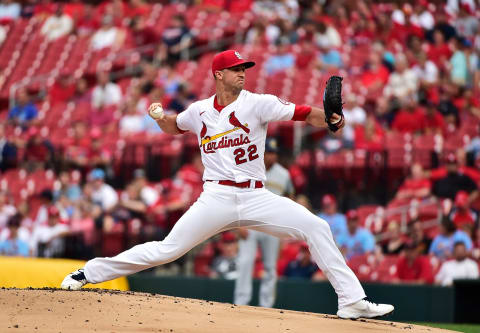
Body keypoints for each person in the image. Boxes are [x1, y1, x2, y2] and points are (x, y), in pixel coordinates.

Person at [62, 49, 393, 319]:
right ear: (218, 74)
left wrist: (332, 119)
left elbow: (307, 114)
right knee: (168, 250)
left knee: (317, 226)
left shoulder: (258, 102)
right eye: (235, 69)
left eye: (244, 68)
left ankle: (351, 300)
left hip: (256, 195)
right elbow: (175, 127)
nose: (242, 73)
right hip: (216, 196)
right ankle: (89, 273)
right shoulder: (199, 110)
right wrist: (159, 117)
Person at [234, 137, 294, 308]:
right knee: (245, 262)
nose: (272, 156)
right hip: (250, 223)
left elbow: (290, 198)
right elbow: (237, 196)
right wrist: (239, 223)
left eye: (274, 153)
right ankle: (240, 303)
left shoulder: (284, 174)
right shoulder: (249, 169)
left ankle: (267, 306)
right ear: (262, 152)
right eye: (269, 152)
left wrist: (284, 226)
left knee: (270, 268)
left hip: (272, 226)